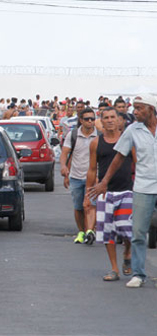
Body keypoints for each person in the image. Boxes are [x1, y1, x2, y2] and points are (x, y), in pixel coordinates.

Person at [88, 94, 157, 288]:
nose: (134, 112)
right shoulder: (132, 130)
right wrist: (104, 182)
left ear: (150, 109)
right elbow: (119, 157)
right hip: (143, 187)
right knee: (137, 232)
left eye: (139, 108)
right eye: (133, 108)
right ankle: (138, 274)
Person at [85, 107, 134, 282]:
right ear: (102, 121)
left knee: (126, 227)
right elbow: (91, 170)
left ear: (120, 120)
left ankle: (127, 251)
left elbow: (137, 164)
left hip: (127, 191)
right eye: (106, 118)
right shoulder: (96, 143)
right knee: (107, 232)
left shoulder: (128, 140)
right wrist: (87, 195)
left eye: (113, 117)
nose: (110, 120)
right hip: (104, 193)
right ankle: (114, 268)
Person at [60, 108, 98, 244]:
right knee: (78, 207)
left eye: (92, 119)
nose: (90, 122)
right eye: (87, 119)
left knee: (91, 205)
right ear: (81, 120)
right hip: (76, 176)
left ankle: (90, 232)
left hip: (94, 178)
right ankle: (82, 231)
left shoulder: (99, 135)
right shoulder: (73, 135)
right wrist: (64, 167)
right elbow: (65, 153)